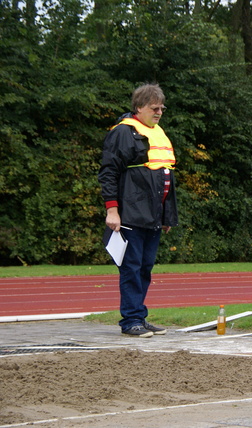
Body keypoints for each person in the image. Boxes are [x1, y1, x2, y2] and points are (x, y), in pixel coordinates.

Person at [98, 83, 179, 338]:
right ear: (139, 107)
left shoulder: (157, 132)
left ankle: (139, 317)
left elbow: (164, 177)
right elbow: (108, 172)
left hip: (152, 215)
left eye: (161, 108)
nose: (159, 112)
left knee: (145, 268)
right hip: (131, 213)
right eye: (154, 108)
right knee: (131, 267)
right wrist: (112, 210)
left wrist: (167, 215)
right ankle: (131, 320)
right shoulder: (123, 133)